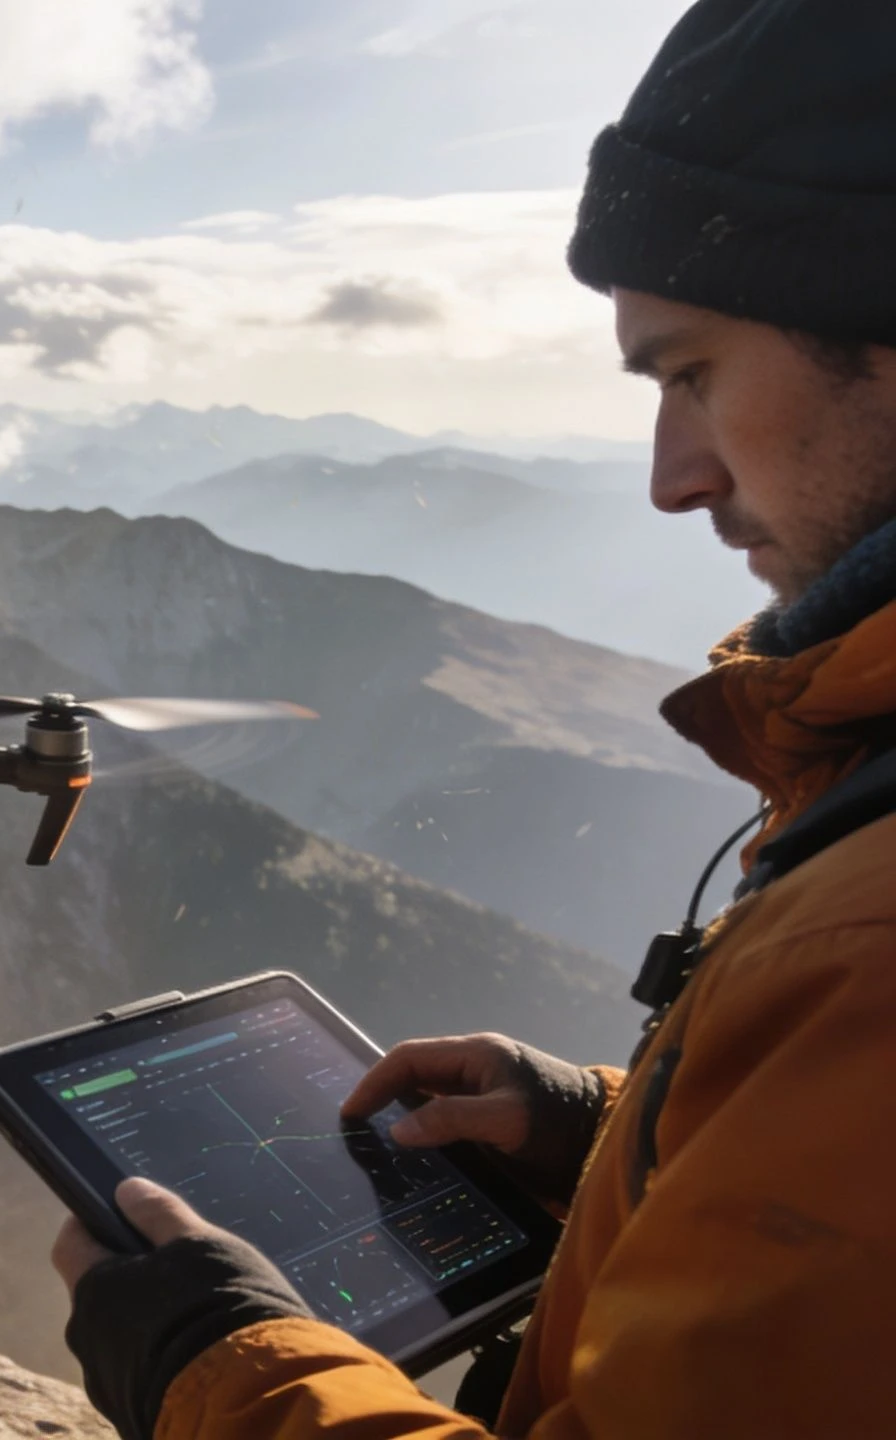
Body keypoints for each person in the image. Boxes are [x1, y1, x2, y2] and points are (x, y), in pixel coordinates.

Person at [49, 2, 896, 1436]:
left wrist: (215, 1361)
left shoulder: (868, 949)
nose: (670, 479)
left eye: (692, 370)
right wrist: (610, 1131)